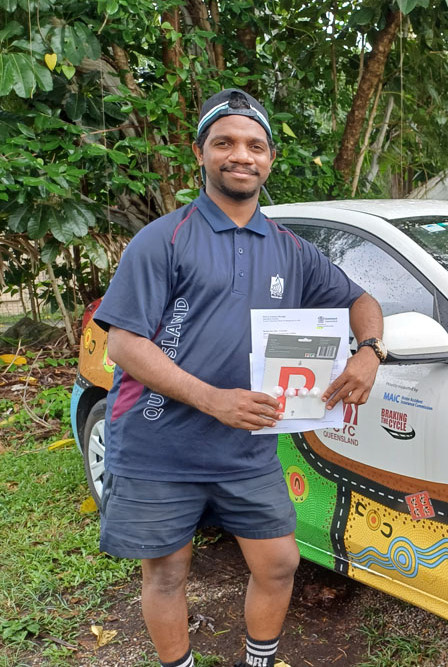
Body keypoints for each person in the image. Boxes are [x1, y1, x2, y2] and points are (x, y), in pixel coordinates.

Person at [93, 88, 385, 667]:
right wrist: (212, 399)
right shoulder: (163, 239)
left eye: (255, 145)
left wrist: (369, 351)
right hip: (160, 446)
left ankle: (260, 661)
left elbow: (361, 300)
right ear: (200, 153)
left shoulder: (290, 250)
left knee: (279, 563)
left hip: (246, 449)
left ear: (270, 159)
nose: (240, 155)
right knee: (168, 570)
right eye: (224, 142)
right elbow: (123, 342)